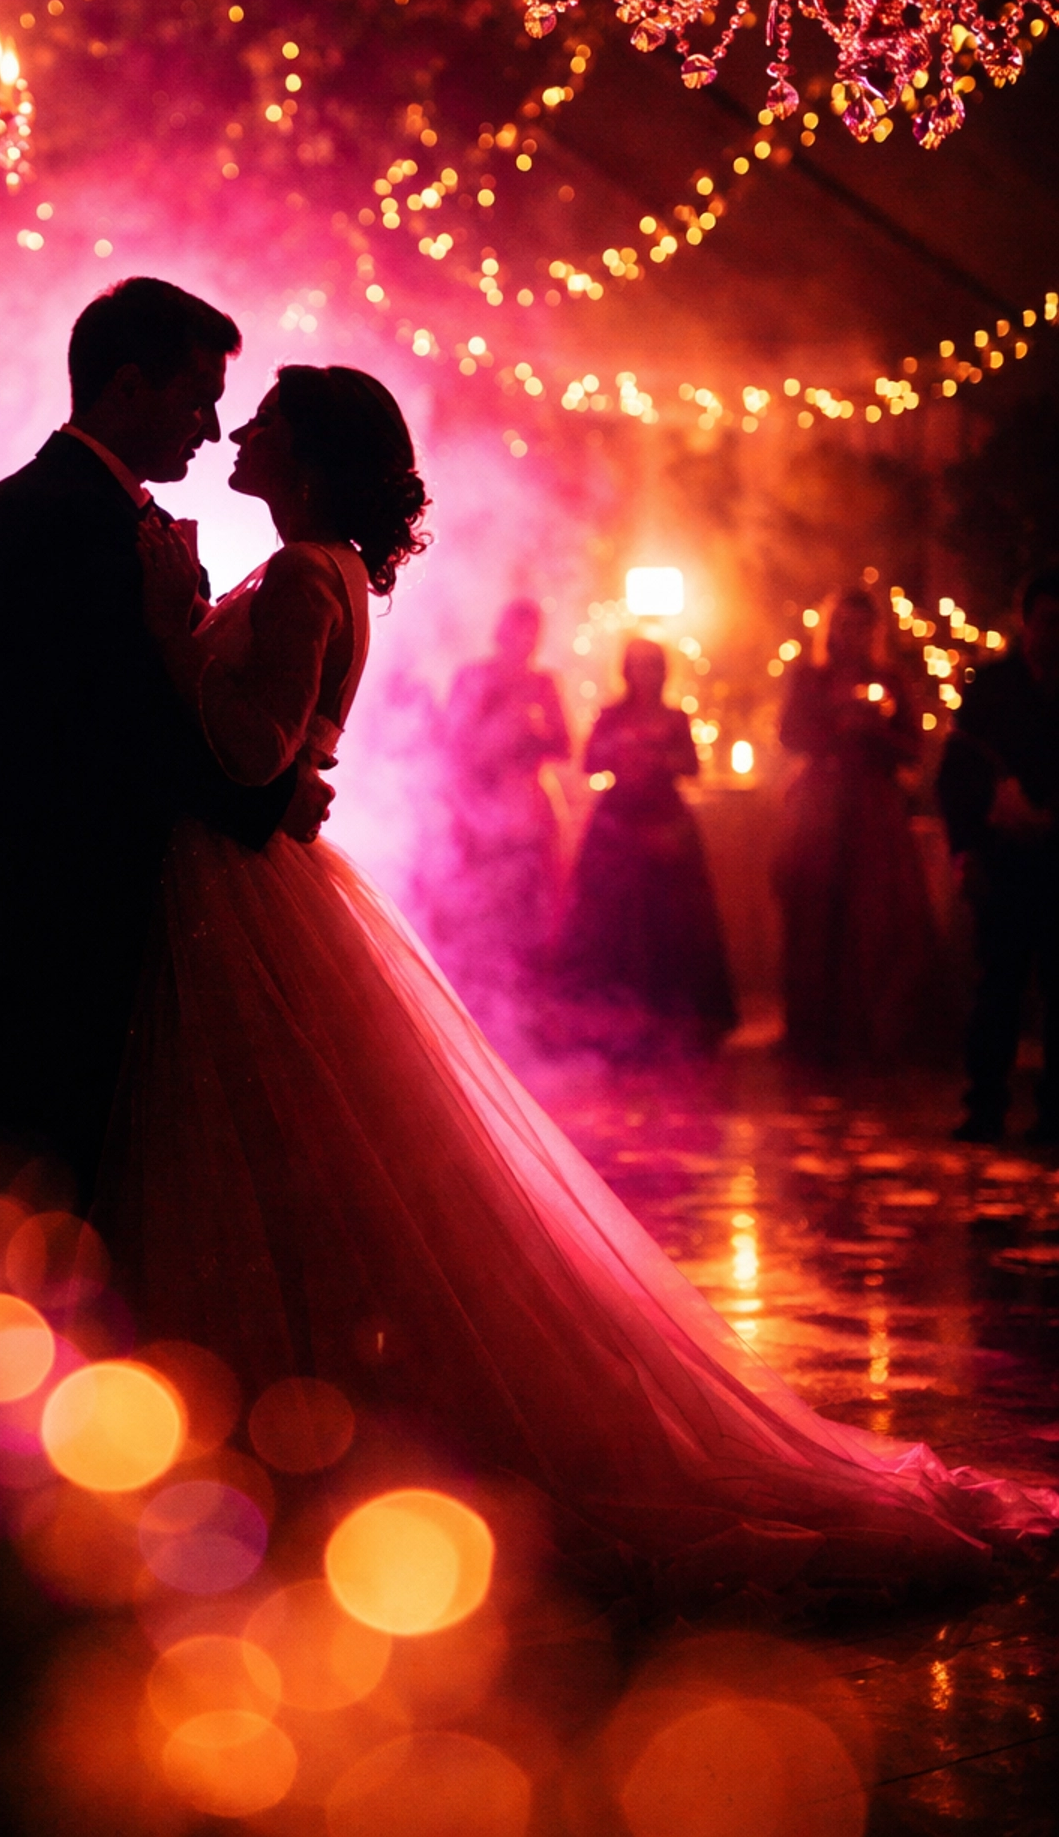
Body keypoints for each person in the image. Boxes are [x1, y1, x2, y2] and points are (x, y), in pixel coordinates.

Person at [104, 365, 1055, 1603]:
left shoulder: (300, 573)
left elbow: (249, 749)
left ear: (319, 455)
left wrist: (174, 642)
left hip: (236, 888)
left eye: (268, 421)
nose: (240, 430)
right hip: (249, 875)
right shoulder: (317, 566)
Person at [0, 278, 324, 1215]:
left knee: (39, 1175)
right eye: (198, 398)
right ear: (129, 386)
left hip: (26, 896)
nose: (212, 426)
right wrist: (268, 800)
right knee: (53, 1186)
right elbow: (122, 728)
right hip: (76, 904)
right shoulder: (81, 526)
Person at [774, 588, 938, 1066]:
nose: (851, 634)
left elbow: (913, 747)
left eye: (861, 626)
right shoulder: (809, 677)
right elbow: (788, 733)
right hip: (820, 807)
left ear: (874, 632)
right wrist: (835, 731)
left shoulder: (890, 680)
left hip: (874, 811)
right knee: (815, 911)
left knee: (878, 915)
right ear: (830, 629)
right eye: (842, 624)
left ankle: (876, 1031)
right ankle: (815, 1030)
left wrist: (874, 733)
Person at [554, 637, 735, 1050]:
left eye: (652, 664)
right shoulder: (611, 715)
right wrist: (619, 749)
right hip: (617, 823)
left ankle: (675, 1019)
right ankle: (613, 1018)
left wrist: (662, 758)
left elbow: (692, 766)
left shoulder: (675, 716)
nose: (645, 673)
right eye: (637, 665)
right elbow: (589, 762)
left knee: (673, 917)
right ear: (626, 670)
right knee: (612, 917)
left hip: (666, 817)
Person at [937, 565, 1059, 1143]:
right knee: (999, 987)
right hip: (1005, 859)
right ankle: (985, 1104)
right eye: (1048, 622)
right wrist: (968, 849)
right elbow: (957, 774)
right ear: (1026, 622)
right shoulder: (992, 689)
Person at [429, 599, 571, 1005]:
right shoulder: (472, 677)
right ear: (501, 632)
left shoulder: (543, 684)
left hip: (526, 805)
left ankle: (524, 999)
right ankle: (472, 992)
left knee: (528, 901)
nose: (525, 642)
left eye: (533, 634)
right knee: (477, 900)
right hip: (476, 802)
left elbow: (565, 746)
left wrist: (532, 733)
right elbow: (448, 743)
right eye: (518, 631)